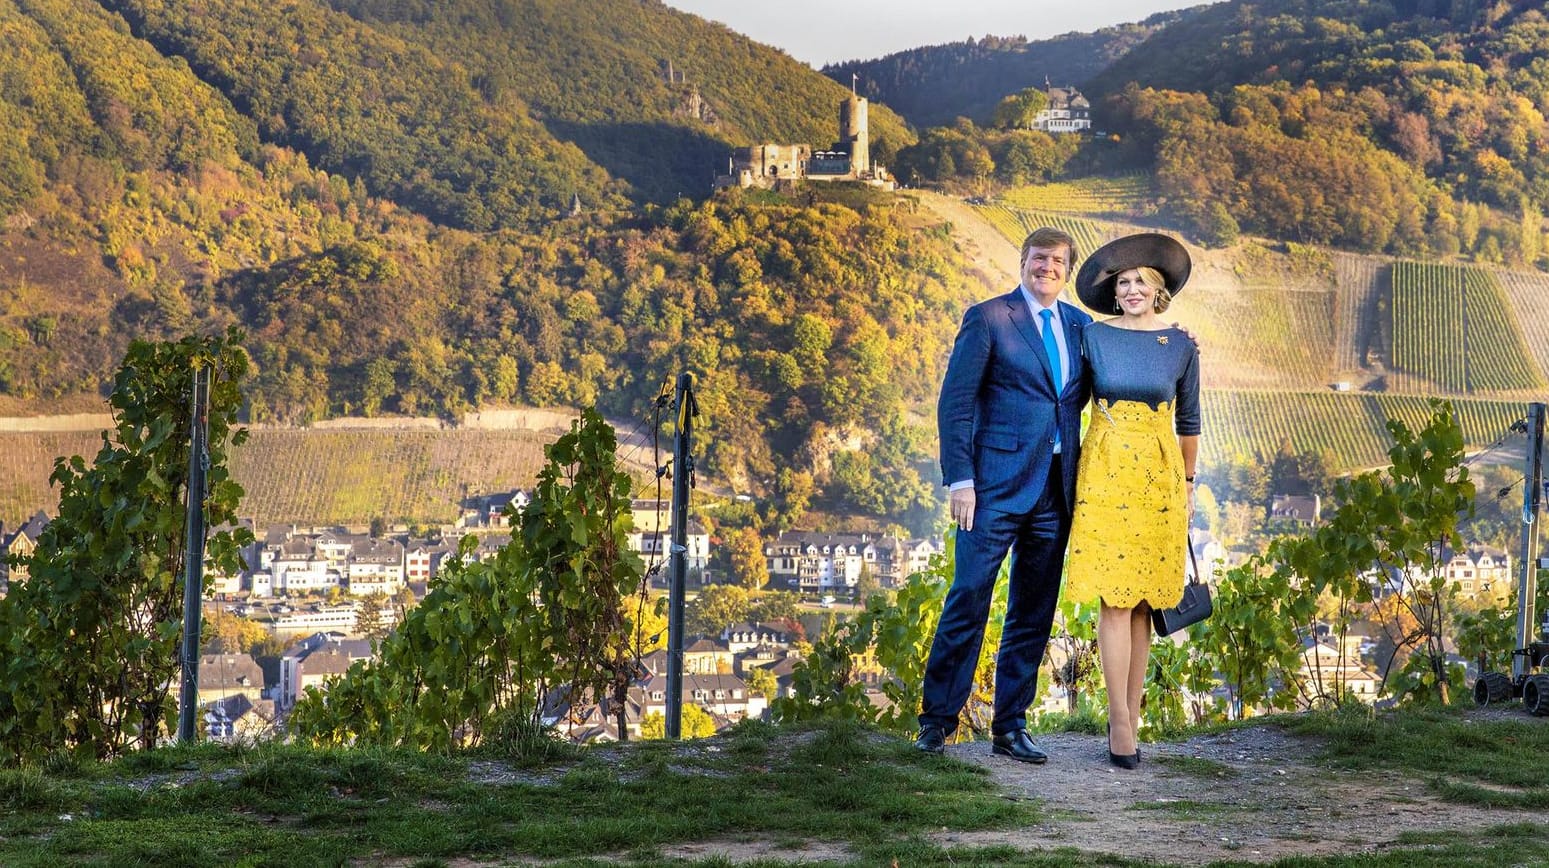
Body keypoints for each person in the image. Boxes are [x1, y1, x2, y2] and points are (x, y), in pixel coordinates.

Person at [916, 227, 1093, 762]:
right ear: (1023, 262)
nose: (1048, 268)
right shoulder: (989, 317)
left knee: (1032, 613)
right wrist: (960, 479)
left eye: (1058, 262)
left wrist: (1172, 341)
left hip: (1054, 492)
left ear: (1068, 270)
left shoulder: (1081, 327)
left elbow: (1121, 367)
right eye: (1039, 259)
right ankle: (937, 722)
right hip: (989, 490)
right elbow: (956, 402)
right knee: (968, 597)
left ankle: (1009, 727)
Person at [1063, 232, 1200, 770]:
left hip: (1161, 478)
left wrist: (1188, 486)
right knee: (1115, 600)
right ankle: (1118, 721)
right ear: (1113, 294)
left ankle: (1131, 715)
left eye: (1140, 280)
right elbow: (1067, 401)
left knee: (1144, 600)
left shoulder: (1183, 345)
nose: (1132, 289)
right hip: (1106, 473)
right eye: (1123, 283)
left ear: (1158, 288)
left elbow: (1189, 422)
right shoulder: (1093, 337)